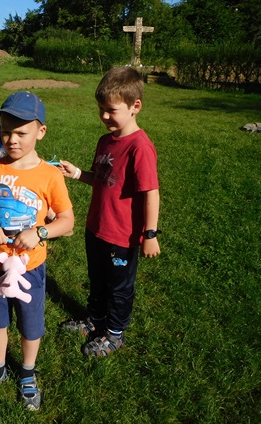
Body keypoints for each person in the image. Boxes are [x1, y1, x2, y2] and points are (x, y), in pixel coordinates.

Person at [0, 91, 74, 410]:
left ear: (41, 132)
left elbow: (67, 221)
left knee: (30, 323)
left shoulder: (49, 175)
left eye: (21, 133)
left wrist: (40, 231)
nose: (12, 139)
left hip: (30, 267)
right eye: (6, 131)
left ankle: (27, 373)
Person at [58, 66, 161, 357]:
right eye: (101, 109)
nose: (104, 116)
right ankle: (95, 320)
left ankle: (114, 334)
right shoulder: (106, 141)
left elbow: (151, 193)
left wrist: (149, 234)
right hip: (97, 228)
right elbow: (102, 178)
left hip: (122, 236)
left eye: (111, 110)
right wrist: (77, 173)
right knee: (98, 279)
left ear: (135, 106)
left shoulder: (140, 147)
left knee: (118, 288)